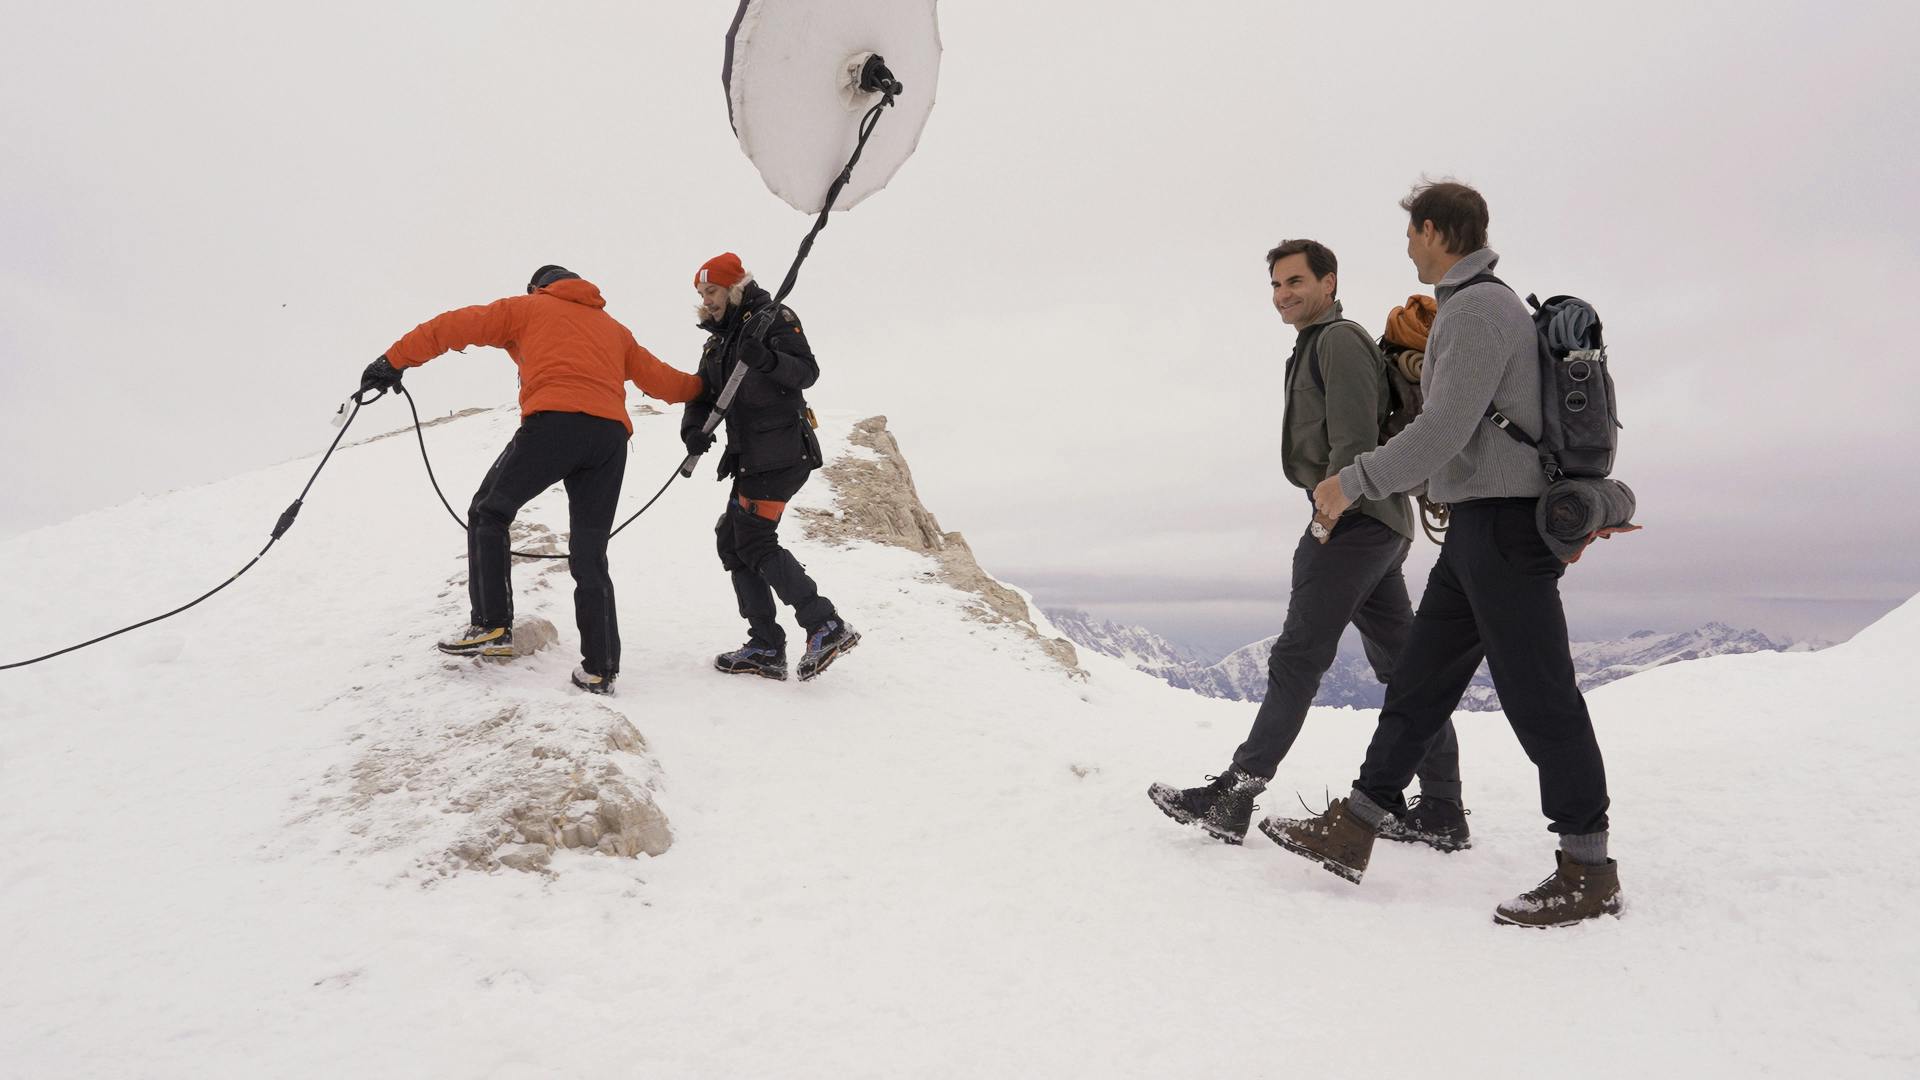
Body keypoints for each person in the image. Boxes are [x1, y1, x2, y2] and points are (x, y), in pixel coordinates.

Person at [1264, 181, 1623, 927]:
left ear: (1434, 230)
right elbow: (1456, 437)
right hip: (1475, 530)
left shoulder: (1479, 308)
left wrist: (1351, 483)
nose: (1406, 248)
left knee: (1540, 695)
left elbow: (1445, 429)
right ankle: (1357, 823)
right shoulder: (1476, 307)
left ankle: (1588, 868)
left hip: (1504, 530)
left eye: (1410, 234)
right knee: (1420, 681)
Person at [1147, 240, 1469, 849]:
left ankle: (1235, 795)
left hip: (1354, 519)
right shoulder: (1314, 344)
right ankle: (1443, 812)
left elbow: (1351, 439)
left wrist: (1329, 516)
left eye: (1295, 281)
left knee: (1297, 659)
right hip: (1379, 523)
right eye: (1275, 284)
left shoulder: (1339, 341)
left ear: (1329, 281)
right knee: (1407, 671)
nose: (1283, 294)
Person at [359, 264, 705, 695]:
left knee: (488, 511)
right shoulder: (615, 330)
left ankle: (491, 625)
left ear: (539, 288)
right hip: (609, 441)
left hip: (555, 425)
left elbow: (451, 327)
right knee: (589, 553)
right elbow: (669, 384)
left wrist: (391, 361)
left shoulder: (527, 308)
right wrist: (711, 383)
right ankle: (600, 668)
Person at [681, 253, 858, 682]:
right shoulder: (718, 340)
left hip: (781, 451)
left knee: (754, 541)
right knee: (733, 539)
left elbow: (807, 372)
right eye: (702, 293)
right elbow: (704, 394)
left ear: (734, 287)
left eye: (714, 291)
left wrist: (766, 360)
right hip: (749, 456)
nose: (708, 300)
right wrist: (693, 429)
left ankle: (825, 624)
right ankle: (765, 645)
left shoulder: (772, 318)